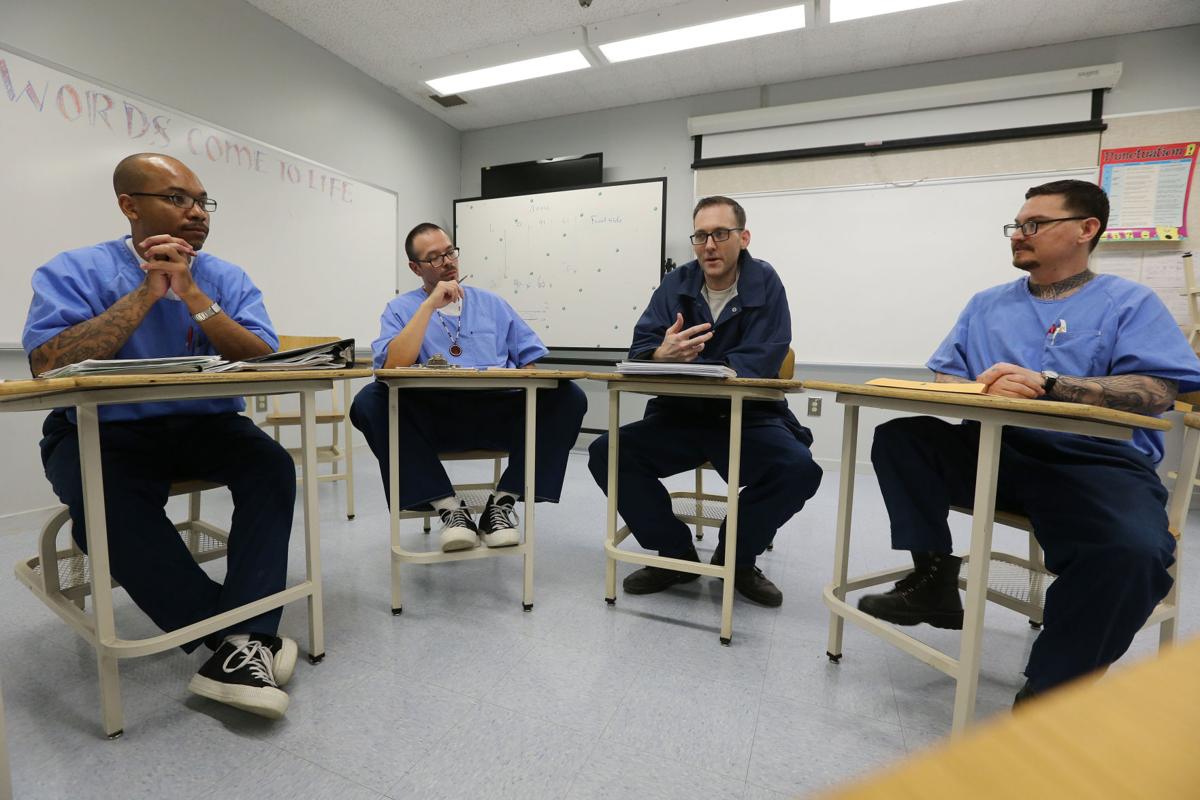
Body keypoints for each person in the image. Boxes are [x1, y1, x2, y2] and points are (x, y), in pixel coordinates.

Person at [858, 179, 1200, 702]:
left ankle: (1050, 694)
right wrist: (978, 386)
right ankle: (933, 580)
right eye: (1017, 225)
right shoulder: (987, 304)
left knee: (1134, 554)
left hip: (1095, 462)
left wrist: (1052, 384)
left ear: (1086, 229)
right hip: (997, 450)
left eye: (1035, 224)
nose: (1019, 234)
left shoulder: (1129, 302)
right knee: (902, 438)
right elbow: (948, 376)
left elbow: (1156, 390)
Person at [23, 153, 298, 719]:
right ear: (129, 205)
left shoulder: (226, 276)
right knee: (104, 500)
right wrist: (150, 291)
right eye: (177, 199)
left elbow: (263, 361)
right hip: (102, 430)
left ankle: (238, 641)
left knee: (270, 466)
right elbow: (48, 364)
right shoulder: (73, 270)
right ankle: (241, 642)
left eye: (202, 201)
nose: (197, 212)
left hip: (205, 424)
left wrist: (194, 295)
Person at [587, 196, 822, 607]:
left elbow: (767, 353)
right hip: (679, 414)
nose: (709, 244)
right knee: (606, 452)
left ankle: (737, 556)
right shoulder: (675, 284)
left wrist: (699, 365)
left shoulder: (765, 281)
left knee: (799, 470)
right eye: (701, 235)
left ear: (743, 238)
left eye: (720, 234)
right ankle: (675, 554)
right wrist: (661, 355)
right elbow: (642, 347)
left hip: (749, 416)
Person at [350, 222, 586, 552]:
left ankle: (501, 506)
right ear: (415, 267)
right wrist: (429, 306)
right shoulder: (402, 309)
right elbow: (389, 367)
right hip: (434, 418)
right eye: (434, 258)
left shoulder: (492, 304)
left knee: (569, 396)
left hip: (497, 413)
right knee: (368, 401)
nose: (447, 261)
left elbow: (530, 365)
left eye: (449, 252)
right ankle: (449, 508)